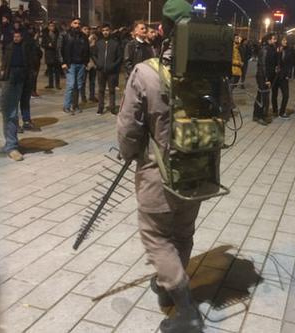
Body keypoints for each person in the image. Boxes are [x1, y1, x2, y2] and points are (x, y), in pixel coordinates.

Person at [117, 1, 209, 332]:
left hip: (159, 174)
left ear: (162, 31)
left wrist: (129, 153)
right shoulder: (209, 72)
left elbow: (128, 129)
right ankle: (168, 287)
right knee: (183, 232)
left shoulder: (146, 72)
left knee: (156, 235)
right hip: (200, 169)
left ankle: (187, 312)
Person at [1, 31, 33, 161]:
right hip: (11, 77)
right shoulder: (9, 46)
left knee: (17, 109)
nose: (16, 38)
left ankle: (12, 144)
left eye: (18, 36)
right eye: (14, 36)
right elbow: (5, 59)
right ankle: (11, 146)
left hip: (24, 76)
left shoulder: (27, 46)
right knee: (11, 112)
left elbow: (34, 57)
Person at [58, 17, 89, 114]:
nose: (77, 25)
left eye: (79, 23)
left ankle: (75, 105)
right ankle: (67, 106)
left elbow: (87, 50)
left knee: (78, 86)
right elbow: (59, 49)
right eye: (75, 23)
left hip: (81, 64)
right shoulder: (65, 34)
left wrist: (85, 63)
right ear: (71, 24)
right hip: (70, 64)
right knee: (71, 85)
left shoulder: (83, 36)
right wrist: (62, 62)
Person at [92, 23, 121, 115]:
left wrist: (113, 65)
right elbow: (93, 54)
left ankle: (112, 108)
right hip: (101, 70)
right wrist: (98, 63)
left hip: (111, 71)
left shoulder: (115, 43)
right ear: (101, 31)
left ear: (110, 31)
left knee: (112, 90)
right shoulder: (98, 43)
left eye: (107, 30)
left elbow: (120, 57)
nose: (105, 32)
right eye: (103, 30)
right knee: (101, 90)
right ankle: (100, 108)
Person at [253, 33, 277, 125]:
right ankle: (261, 116)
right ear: (269, 40)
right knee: (264, 97)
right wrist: (267, 79)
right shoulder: (265, 50)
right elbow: (263, 65)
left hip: (265, 76)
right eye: (274, 39)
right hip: (263, 77)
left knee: (261, 95)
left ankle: (257, 115)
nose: (275, 40)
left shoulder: (271, 49)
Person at [271, 36, 292, 118]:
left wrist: (288, 75)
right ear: (280, 41)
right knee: (274, 94)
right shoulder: (275, 49)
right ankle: (275, 111)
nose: (285, 42)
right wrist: (278, 53)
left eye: (286, 40)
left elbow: (290, 64)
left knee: (286, 95)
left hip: (284, 76)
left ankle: (282, 111)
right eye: (284, 40)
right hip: (275, 76)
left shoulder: (289, 51)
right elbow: (272, 62)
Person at [41, 20, 60, 89]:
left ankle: (57, 84)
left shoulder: (57, 34)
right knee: (50, 70)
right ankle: (51, 84)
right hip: (49, 53)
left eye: (53, 26)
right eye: (51, 26)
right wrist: (48, 45)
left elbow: (60, 43)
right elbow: (42, 44)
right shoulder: (45, 34)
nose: (52, 27)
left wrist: (54, 45)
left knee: (57, 70)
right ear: (48, 27)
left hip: (56, 53)